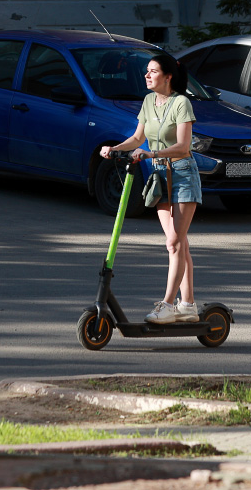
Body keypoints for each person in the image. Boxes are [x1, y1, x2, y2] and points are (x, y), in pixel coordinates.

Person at [100, 53, 202, 324]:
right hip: (159, 176)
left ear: (168, 76)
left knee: (174, 242)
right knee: (179, 243)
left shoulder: (181, 103)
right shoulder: (148, 101)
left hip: (182, 174)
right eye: (147, 71)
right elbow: (137, 137)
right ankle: (188, 304)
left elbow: (183, 146)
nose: (147, 75)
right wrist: (114, 148)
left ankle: (168, 305)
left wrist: (150, 153)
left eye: (153, 71)